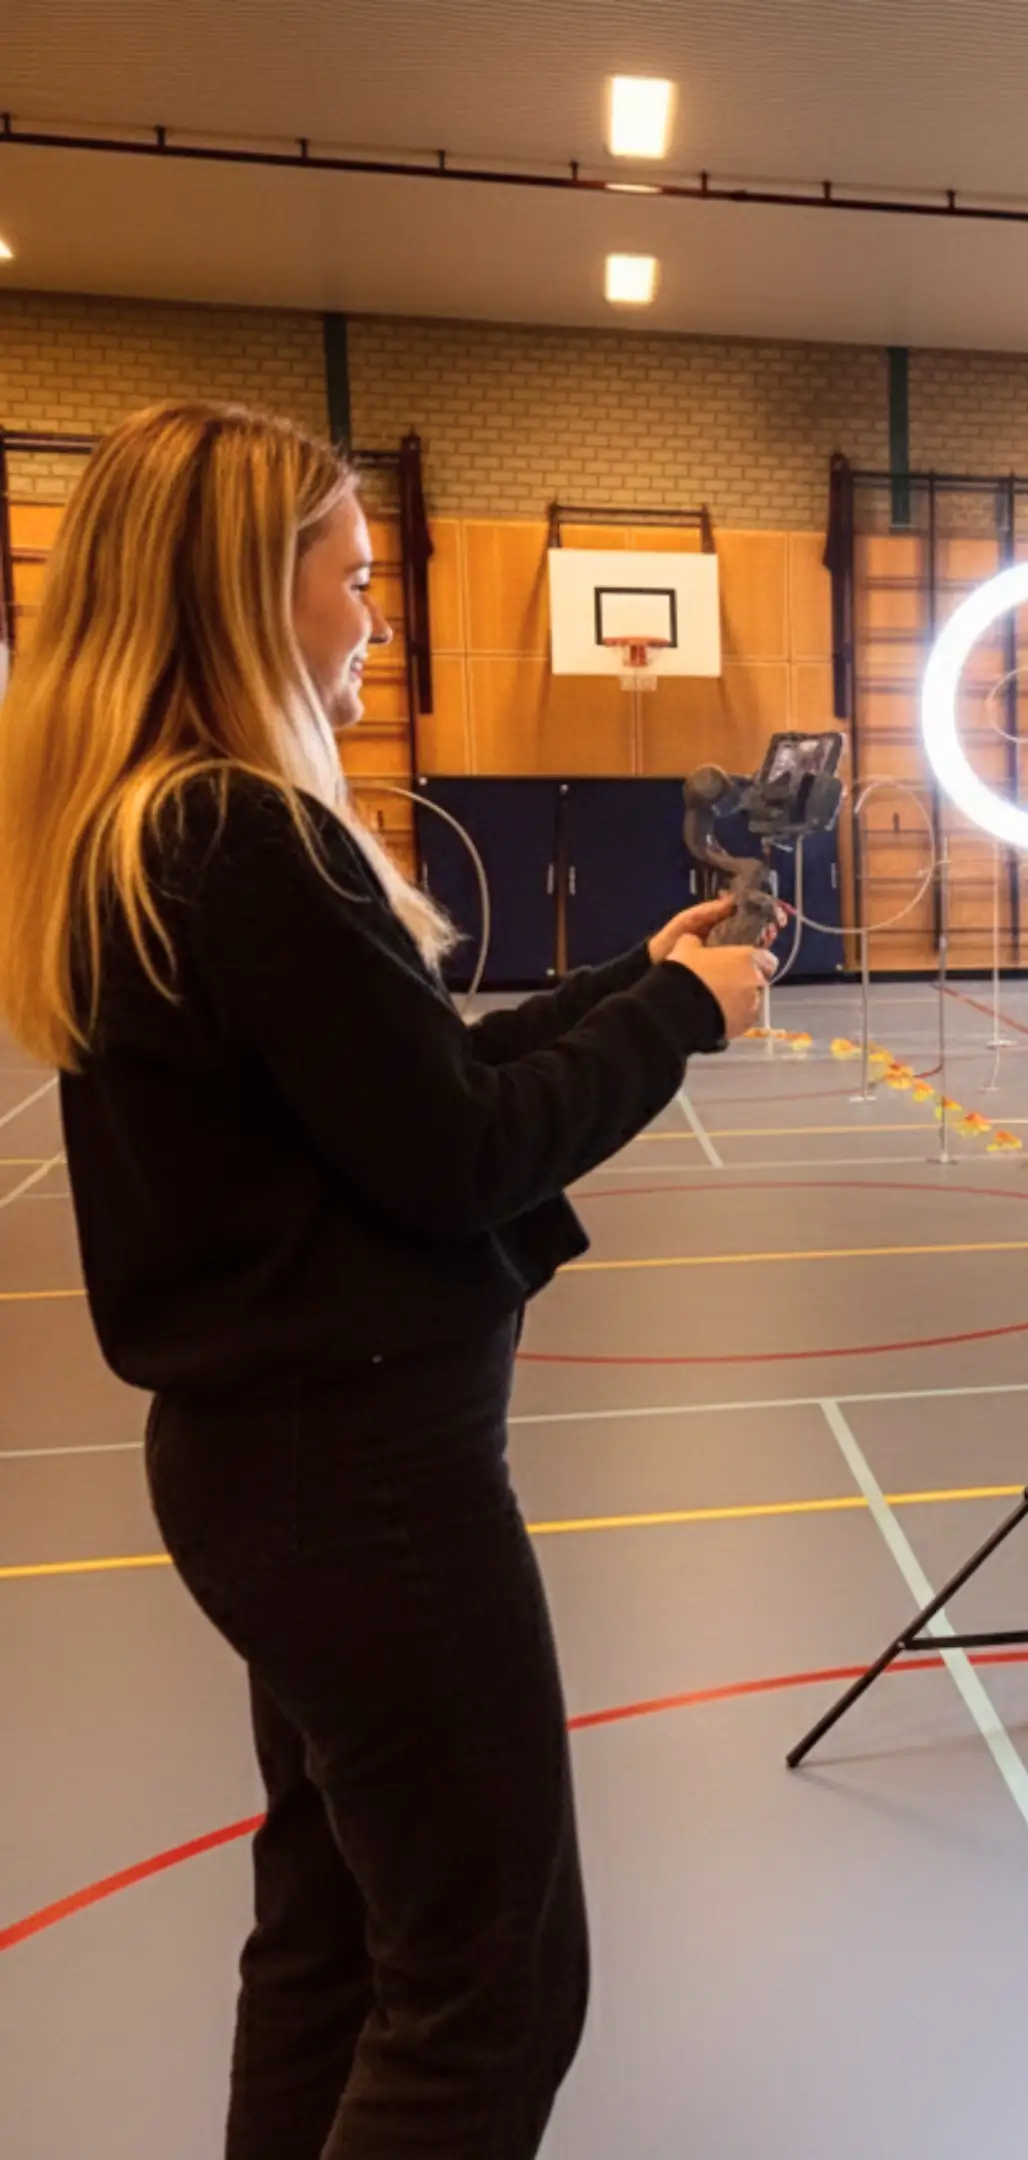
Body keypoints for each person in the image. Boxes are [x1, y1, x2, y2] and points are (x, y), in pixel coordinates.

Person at [0, 400, 774, 2158]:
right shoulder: (238, 839)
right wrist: (675, 1019)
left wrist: (629, 982)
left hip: (274, 1476)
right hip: (362, 1491)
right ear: (249, 597)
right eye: (350, 579)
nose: (371, 616)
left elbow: (401, 1080)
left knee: (338, 1938)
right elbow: (457, 1159)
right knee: (489, 1984)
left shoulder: (152, 832)